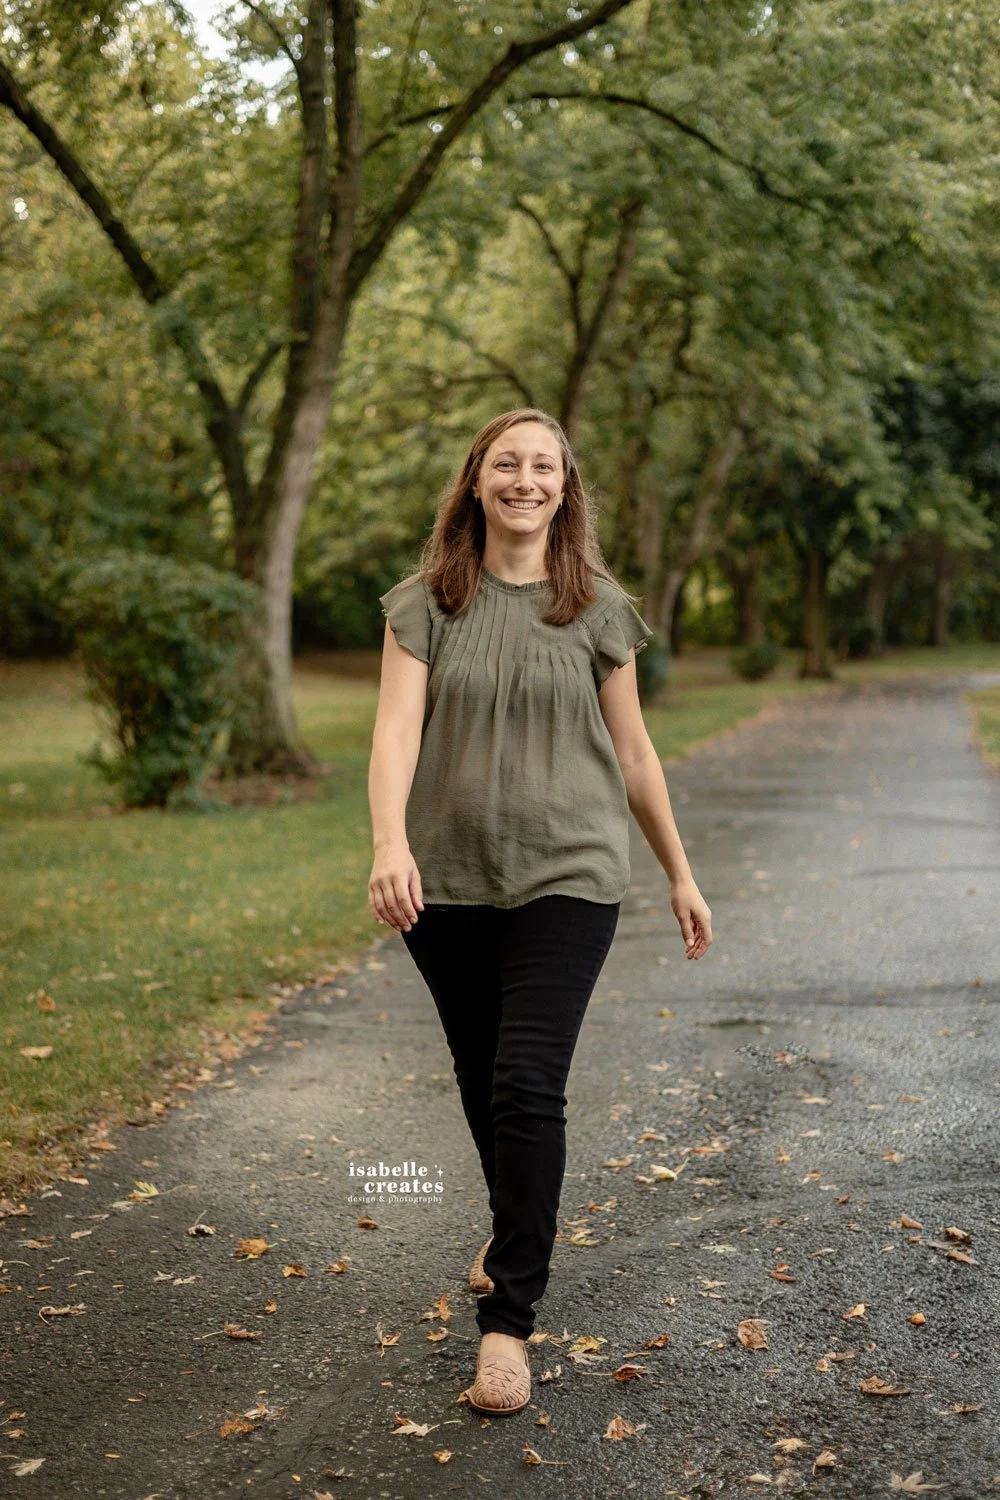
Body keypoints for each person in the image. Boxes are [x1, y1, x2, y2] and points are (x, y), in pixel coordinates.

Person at [367, 407, 712, 1417]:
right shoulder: (425, 603)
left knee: (525, 1080)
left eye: (544, 466)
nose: (525, 480)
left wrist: (679, 874)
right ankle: (513, 1217)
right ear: (475, 482)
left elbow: (638, 754)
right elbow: (393, 734)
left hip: (572, 871)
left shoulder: (597, 607)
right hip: (448, 877)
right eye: (506, 464)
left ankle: (508, 1324)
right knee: (483, 1075)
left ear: (565, 488)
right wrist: (389, 843)